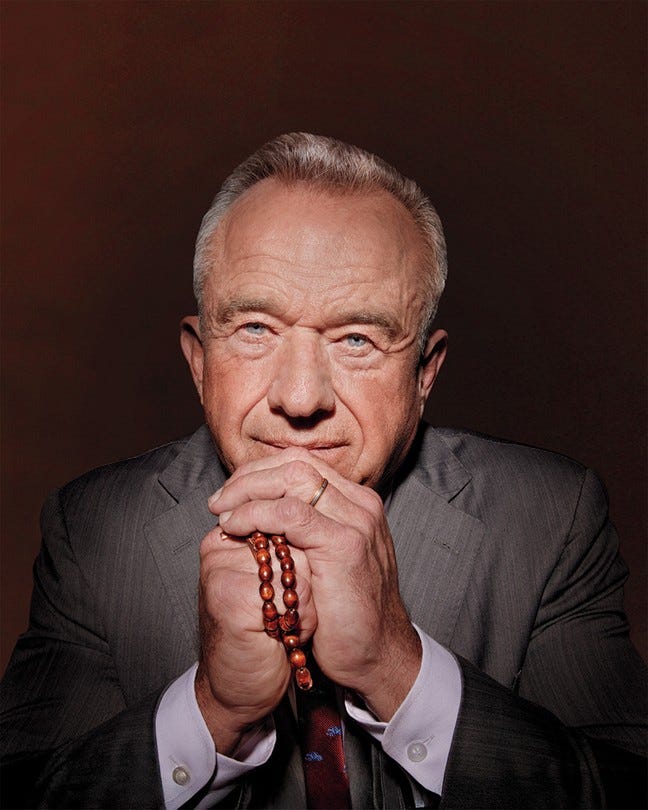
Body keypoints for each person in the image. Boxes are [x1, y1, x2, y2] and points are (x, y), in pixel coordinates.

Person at [1, 132, 645, 810]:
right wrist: (211, 713)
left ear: (425, 374)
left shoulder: (550, 518)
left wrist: (400, 670)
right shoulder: (95, 530)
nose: (301, 399)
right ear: (198, 360)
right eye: (254, 329)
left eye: (357, 339)